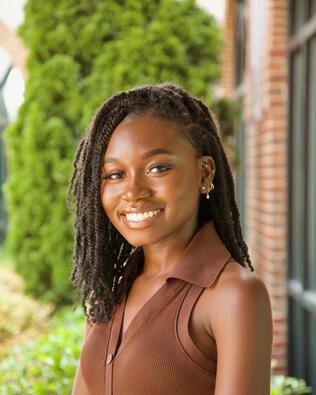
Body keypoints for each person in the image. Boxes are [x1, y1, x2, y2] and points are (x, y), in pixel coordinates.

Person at [68, 83, 273, 395]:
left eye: (157, 168)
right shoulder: (111, 286)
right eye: (114, 174)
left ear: (205, 173)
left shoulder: (233, 294)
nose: (133, 192)